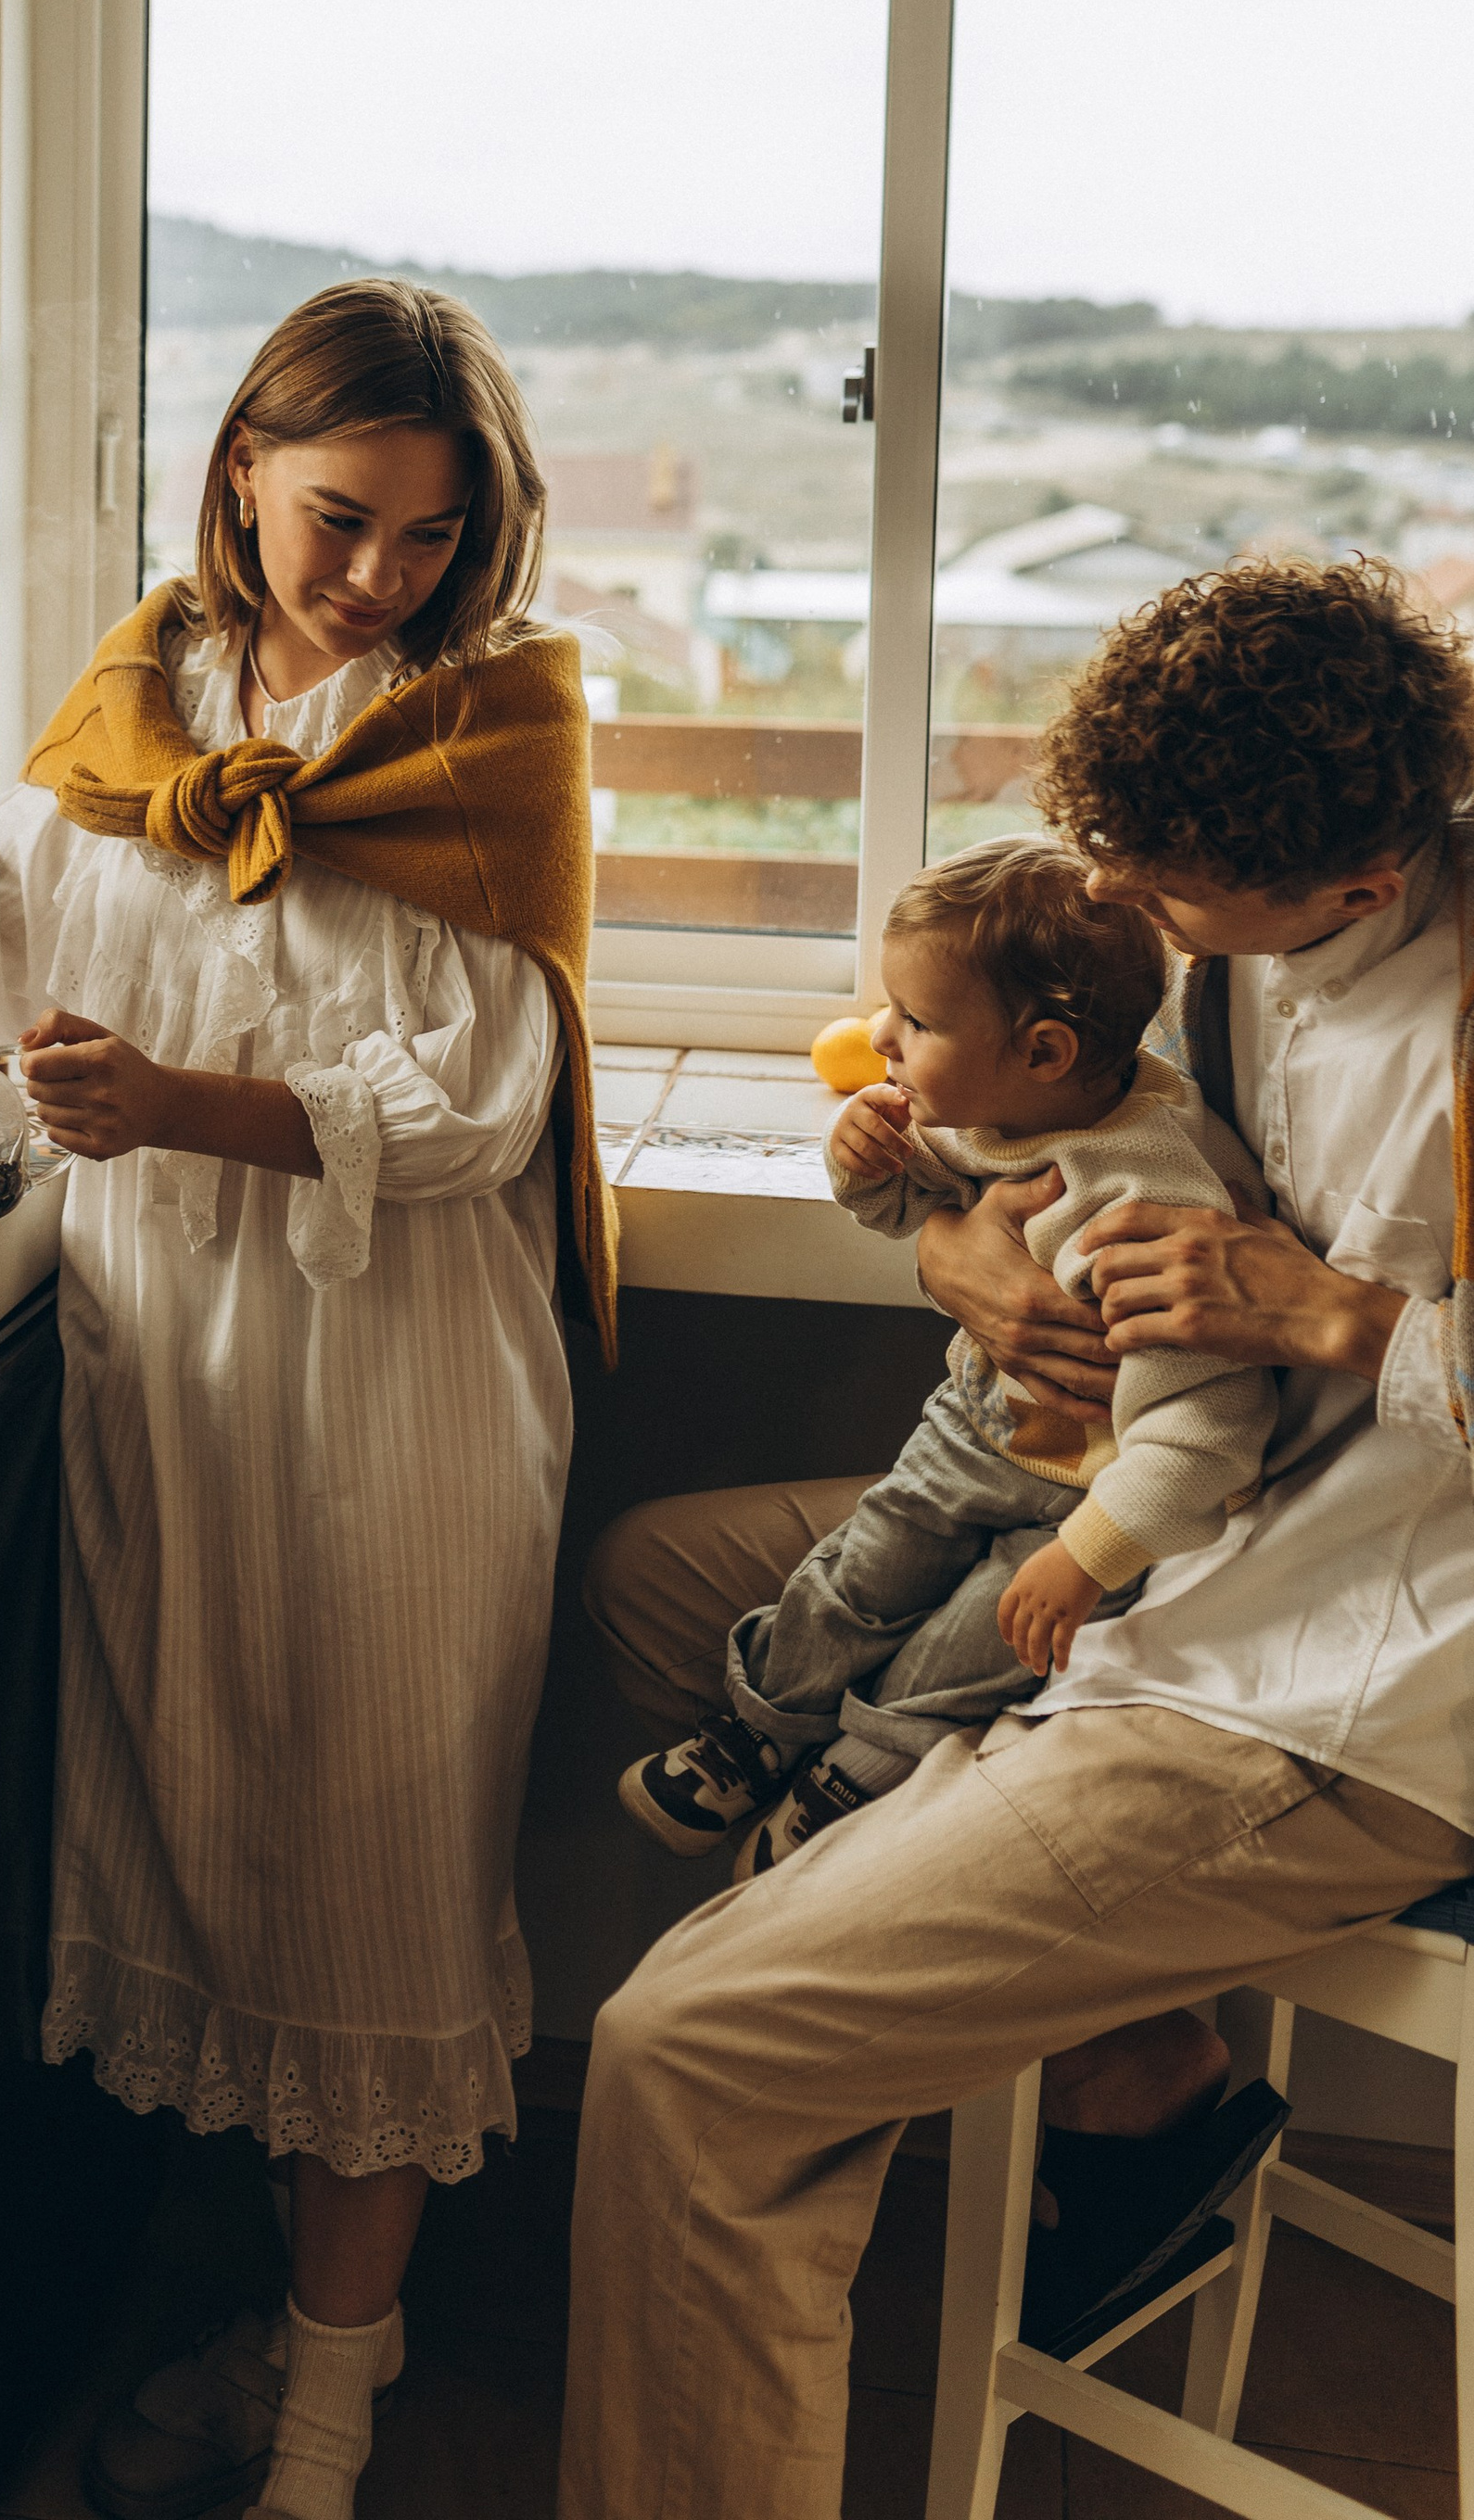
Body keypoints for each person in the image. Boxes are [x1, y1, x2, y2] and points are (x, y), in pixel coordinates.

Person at [0, 281, 614, 2520]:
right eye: (338, 517)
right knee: (223, 1858)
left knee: (376, 1893)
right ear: (238, 467)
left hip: (392, 1388)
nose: (376, 573)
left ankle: (316, 2446)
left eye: (428, 534)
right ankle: (290, 2345)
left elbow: (481, 1105)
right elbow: (12, 908)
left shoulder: (488, 724)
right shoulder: (151, 679)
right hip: (168, 1371)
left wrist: (176, 1101)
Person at [563, 558, 1474, 2520]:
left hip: (1338, 1687)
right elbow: (1000, 1084)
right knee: (655, 1588)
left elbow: (1304, 1324)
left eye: (1156, 900)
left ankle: (871, 2040)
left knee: (683, 2057)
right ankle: (1132, 2073)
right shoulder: (1227, 926)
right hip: (1180, 1550)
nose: (1127, 926)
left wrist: (1332, 1316)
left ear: (1352, 884)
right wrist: (971, 1258)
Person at [625, 833, 1275, 1878]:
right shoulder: (1007, 1104)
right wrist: (862, 1163)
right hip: (973, 1432)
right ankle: (757, 1734)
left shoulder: (1148, 1206)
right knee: (857, 1574)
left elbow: (1210, 1428)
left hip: (1087, 1499)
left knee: (964, 1654)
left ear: (1045, 1051)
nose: (880, 1035)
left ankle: (846, 1789)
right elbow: (911, 1201)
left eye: (916, 1021)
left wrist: (1089, 1556)